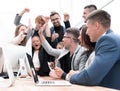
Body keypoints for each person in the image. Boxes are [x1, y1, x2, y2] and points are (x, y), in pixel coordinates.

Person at [70, 10, 120, 90]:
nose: (86, 33)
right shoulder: (111, 38)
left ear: (97, 26)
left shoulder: (108, 40)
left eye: (88, 28)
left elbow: (91, 77)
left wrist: (71, 77)